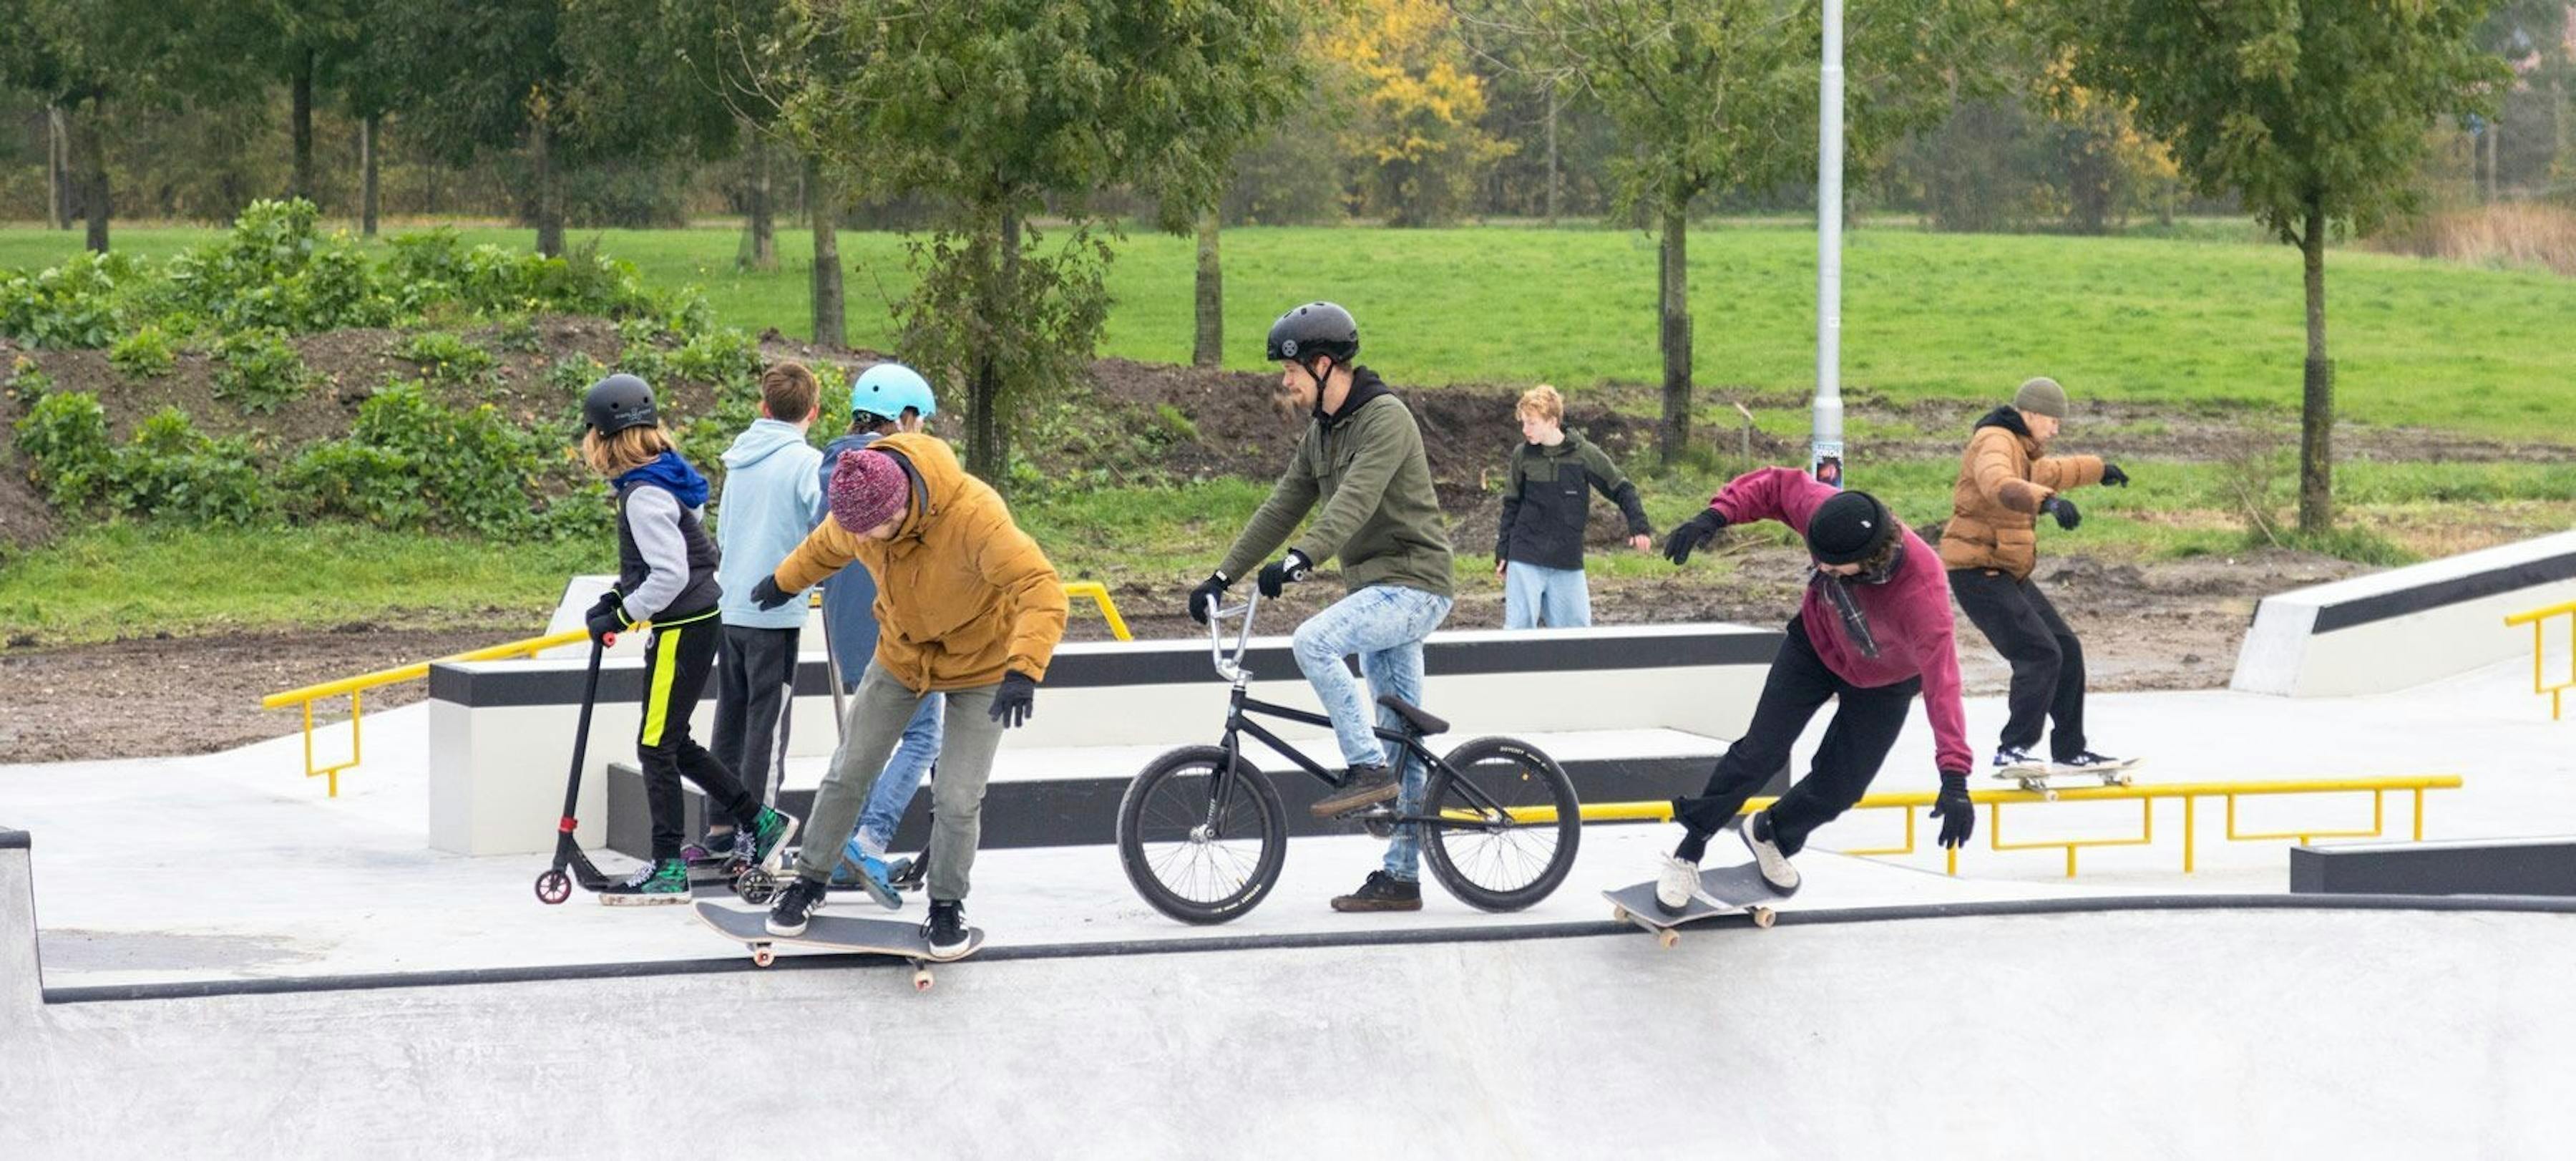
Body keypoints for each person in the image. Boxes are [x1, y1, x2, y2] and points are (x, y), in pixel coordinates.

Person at [749, 434, 1067, 959]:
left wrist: (1024, 668)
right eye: (862, 531)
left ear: (902, 504)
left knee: (958, 797)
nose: (870, 539)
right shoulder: (858, 519)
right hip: (901, 656)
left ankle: (946, 903)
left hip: (982, 665)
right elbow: (826, 547)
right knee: (849, 770)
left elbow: (1040, 587)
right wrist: (785, 581)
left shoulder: (975, 516)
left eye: (879, 527)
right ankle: (809, 881)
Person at [1189, 301, 1455, 913]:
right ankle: (1400, 878)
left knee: (1313, 642)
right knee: (1402, 735)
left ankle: (1364, 770)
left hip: (1415, 584)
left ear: (1324, 365)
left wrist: (1303, 559)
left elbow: (1355, 501)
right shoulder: (1323, 433)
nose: (1284, 383)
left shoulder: (1385, 420)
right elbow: (1283, 505)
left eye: (1291, 371)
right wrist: (1221, 576)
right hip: (1375, 592)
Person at [1653, 467, 1975, 910]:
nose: (1820, 568)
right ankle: (1688, 852)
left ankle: (1771, 832)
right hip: (1816, 647)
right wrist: (1714, 516)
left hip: (1885, 682)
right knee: (1759, 754)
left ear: (1871, 559)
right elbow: (1777, 485)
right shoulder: (1830, 513)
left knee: (1842, 786)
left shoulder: (1922, 596)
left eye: (1832, 564)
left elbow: (1944, 684)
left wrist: (1954, 776)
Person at [575, 373, 797, 904]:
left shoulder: (641, 495)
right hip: (695, 621)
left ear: (603, 437)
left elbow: (671, 573)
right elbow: (680, 545)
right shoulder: (665, 477)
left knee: (655, 745)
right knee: (674, 741)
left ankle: (668, 866)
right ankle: (759, 820)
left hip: (680, 626)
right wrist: (617, 596)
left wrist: (624, 614)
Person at [1938, 377, 2130, 773]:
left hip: (2006, 572)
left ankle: (2070, 750)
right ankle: (2014, 749)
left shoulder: (2020, 447)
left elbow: (2049, 472)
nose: (2057, 429)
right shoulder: (1994, 442)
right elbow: (2000, 485)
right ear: (2031, 414)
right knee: (2039, 653)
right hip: (1978, 571)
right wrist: (2049, 504)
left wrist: (2099, 469)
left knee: (2067, 649)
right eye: (2053, 421)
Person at [813, 363, 947, 896]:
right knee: (922, 736)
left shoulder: (831, 471)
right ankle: (868, 840)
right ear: (905, 418)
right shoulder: (900, 475)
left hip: (846, 632)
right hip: (898, 629)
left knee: (864, 745)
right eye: (920, 422)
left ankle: (841, 847)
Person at [688, 361, 824, 868]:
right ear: (813, 412)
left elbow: (726, 532)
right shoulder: (805, 463)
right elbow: (827, 524)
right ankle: (758, 836)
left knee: (731, 718)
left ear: (763, 408)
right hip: (777, 612)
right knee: (767, 729)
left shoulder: (739, 458)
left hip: (733, 606)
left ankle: (721, 827)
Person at [1493, 384, 1652, 628]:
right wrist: (1503, 551)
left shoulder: (1584, 454)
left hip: (1567, 560)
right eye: (1523, 423)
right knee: (1518, 633)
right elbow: (1511, 505)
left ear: (1552, 421)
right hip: (1525, 557)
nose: (1525, 430)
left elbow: (1622, 488)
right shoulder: (1521, 456)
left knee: (1577, 637)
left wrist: (1638, 525)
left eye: (1531, 423)